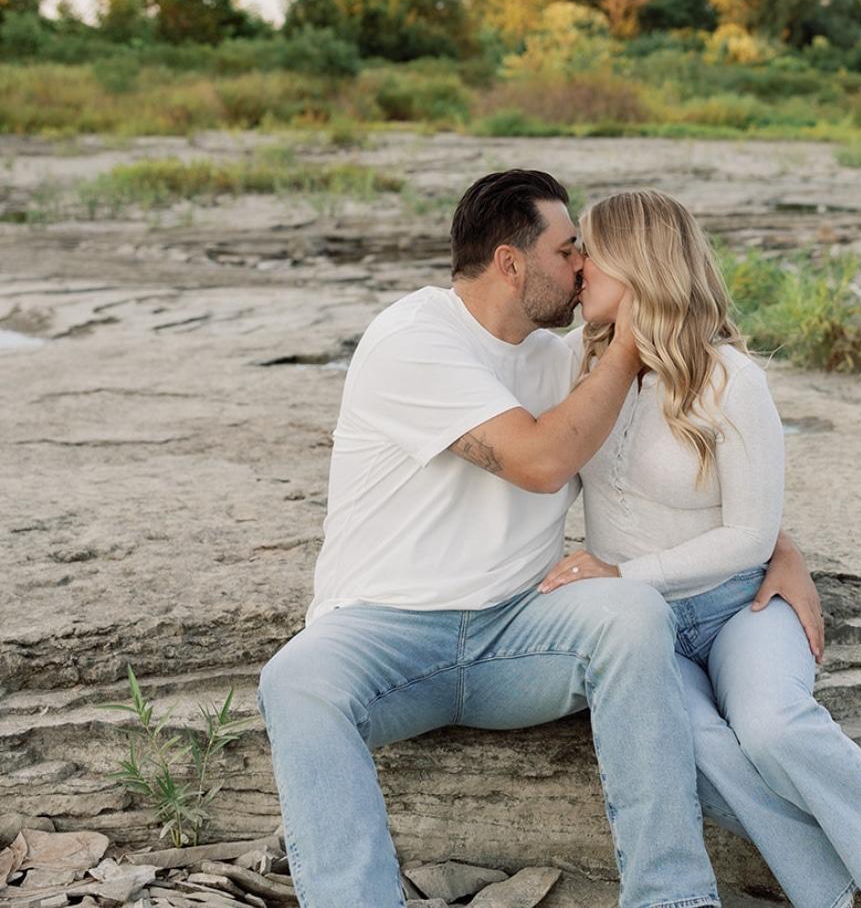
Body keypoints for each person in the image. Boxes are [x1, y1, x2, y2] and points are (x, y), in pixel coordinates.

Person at [258, 170, 726, 908]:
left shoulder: (566, 359)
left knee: (633, 614)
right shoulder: (414, 337)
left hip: (519, 630)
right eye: (568, 251)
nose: (585, 267)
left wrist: (779, 550)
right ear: (511, 262)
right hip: (386, 632)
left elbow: (693, 466)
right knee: (296, 680)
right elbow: (538, 462)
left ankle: (673, 899)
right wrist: (625, 353)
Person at [538, 189, 861, 908]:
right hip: (642, 630)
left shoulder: (732, 380)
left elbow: (750, 536)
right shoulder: (575, 362)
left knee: (772, 729)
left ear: (639, 265)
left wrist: (622, 572)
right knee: (701, 748)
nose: (578, 269)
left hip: (740, 606)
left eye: (591, 253)